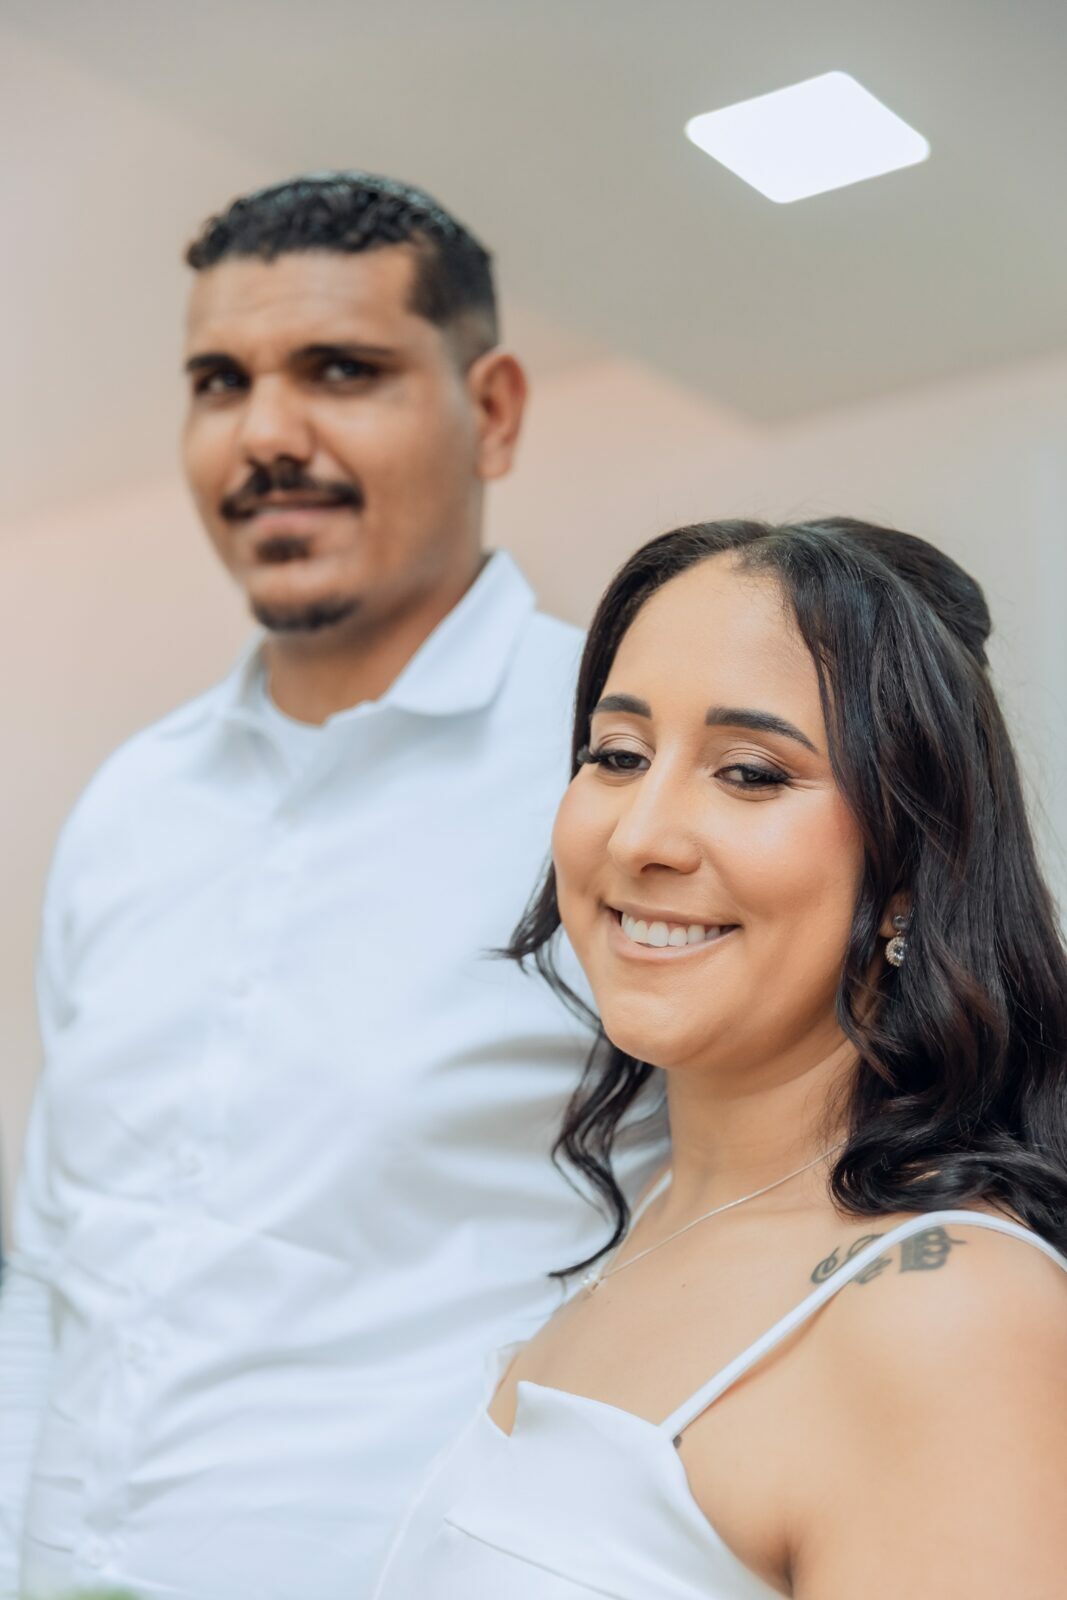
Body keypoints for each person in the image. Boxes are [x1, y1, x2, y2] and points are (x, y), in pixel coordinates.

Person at [0, 173, 660, 1600]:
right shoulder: (130, 803)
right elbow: (51, 1263)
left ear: (491, 411)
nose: (266, 435)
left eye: (340, 371)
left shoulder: (622, 774)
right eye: (219, 382)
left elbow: (759, 1231)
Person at [372, 517, 1067, 1600]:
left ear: (908, 866)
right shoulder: (657, 1210)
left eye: (747, 772)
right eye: (616, 755)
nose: (639, 837)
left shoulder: (945, 1312)